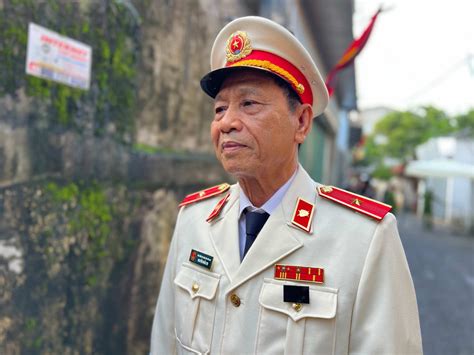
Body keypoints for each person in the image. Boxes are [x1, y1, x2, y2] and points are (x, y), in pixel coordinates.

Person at [151, 16, 422, 355]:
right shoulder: (194, 218)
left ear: (302, 122)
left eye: (249, 104)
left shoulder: (363, 239)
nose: (227, 123)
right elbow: (165, 341)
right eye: (220, 108)